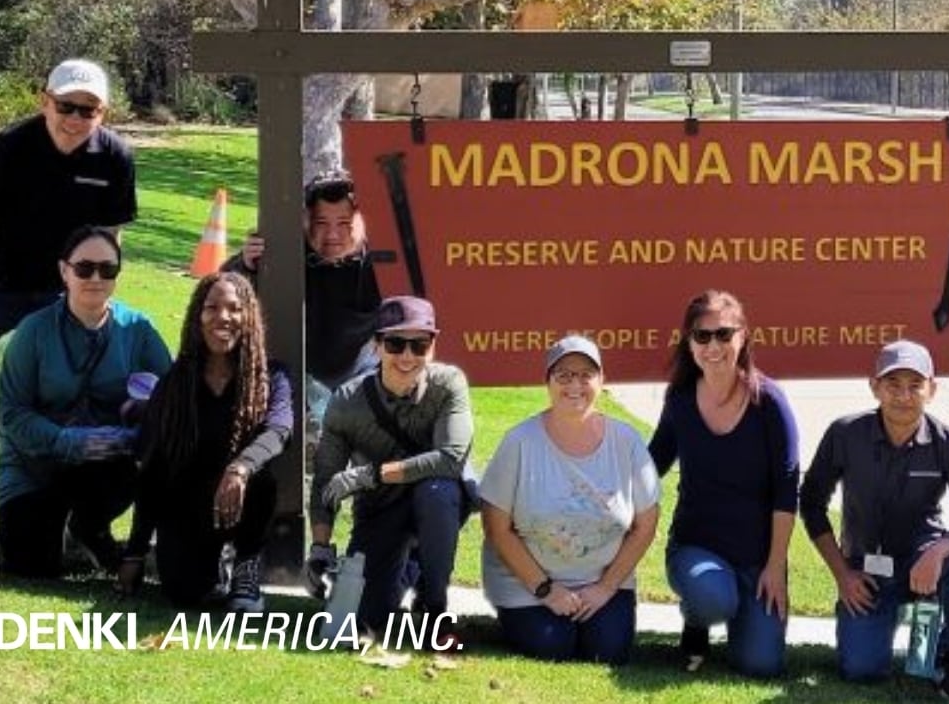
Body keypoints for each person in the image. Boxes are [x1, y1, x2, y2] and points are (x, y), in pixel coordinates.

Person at [799, 340, 949, 696]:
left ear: (932, 389)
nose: (904, 395)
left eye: (915, 385)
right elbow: (810, 504)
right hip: (865, 571)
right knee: (861, 670)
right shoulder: (844, 434)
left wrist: (937, 553)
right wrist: (843, 574)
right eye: (893, 384)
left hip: (924, 564)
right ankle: (887, 619)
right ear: (874, 386)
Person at [0, 226, 172, 578]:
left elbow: (173, 400)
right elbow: (12, 415)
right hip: (33, 465)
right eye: (84, 268)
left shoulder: (138, 330)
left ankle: (90, 528)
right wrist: (63, 441)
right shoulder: (32, 331)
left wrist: (137, 424)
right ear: (64, 271)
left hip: (105, 464)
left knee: (146, 461)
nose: (95, 277)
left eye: (107, 269)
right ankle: (61, 531)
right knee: (32, 567)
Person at [480, 335, 660, 664]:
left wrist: (606, 587)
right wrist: (545, 589)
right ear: (547, 382)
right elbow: (496, 528)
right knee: (553, 647)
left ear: (601, 381)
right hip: (527, 583)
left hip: (602, 580)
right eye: (563, 375)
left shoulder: (627, 441)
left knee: (606, 651)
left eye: (585, 375)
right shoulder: (519, 442)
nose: (575, 385)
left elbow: (646, 524)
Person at [118, 272, 292, 612]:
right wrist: (135, 552)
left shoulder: (272, 377)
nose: (222, 317)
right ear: (198, 317)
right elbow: (153, 470)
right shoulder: (175, 384)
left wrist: (241, 467)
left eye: (234, 308)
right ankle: (212, 566)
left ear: (249, 317)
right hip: (188, 503)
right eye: (212, 308)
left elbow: (279, 430)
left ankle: (246, 563)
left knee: (261, 479)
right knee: (185, 594)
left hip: (244, 497)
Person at [648, 290, 801, 677]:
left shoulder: (770, 403)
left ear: (743, 337)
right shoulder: (680, 400)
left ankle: (741, 611)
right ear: (689, 342)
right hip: (696, 548)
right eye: (702, 336)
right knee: (713, 597)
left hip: (758, 559)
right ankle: (697, 621)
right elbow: (652, 465)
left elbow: (786, 491)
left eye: (723, 334)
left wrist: (775, 567)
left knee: (760, 665)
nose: (713, 345)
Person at [306, 295, 474, 629]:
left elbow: (451, 458)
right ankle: (408, 565)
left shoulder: (449, 384)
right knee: (368, 619)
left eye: (419, 344)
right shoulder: (347, 401)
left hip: (438, 499)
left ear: (433, 345)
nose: (408, 356)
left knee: (437, 492)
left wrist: (372, 474)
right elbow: (326, 476)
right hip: (380, 509)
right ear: (376, 346)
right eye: (396, 343)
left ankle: (433, 605)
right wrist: (321, 547)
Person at [0, 59, 137, 362]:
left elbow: (109, 237)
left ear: (102, 113)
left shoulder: (115, 156)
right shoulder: (10, 147)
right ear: (45, 102)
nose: (75, 118)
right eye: (66, 106)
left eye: (88, 110)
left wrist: (98, 297)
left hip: (66, 289)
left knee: (70, 380)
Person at [224, 170, 382, 432]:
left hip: (362, 371)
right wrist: (246, 264)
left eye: (344, 223)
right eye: (321, 223)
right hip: (296, 374)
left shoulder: (383, 261)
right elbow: (221, 291)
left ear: (362, 221)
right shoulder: (288, 252)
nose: (332, 235)